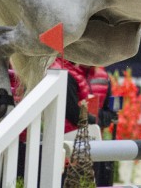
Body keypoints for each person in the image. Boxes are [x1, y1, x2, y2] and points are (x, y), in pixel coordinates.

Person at [50, 58, 117, 186]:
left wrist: (99, 119)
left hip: (94, 143)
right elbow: (73, 113)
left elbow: (110, 111)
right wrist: (98, 119)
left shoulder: (103, 76)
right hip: (68, 143)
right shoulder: (68, 73)